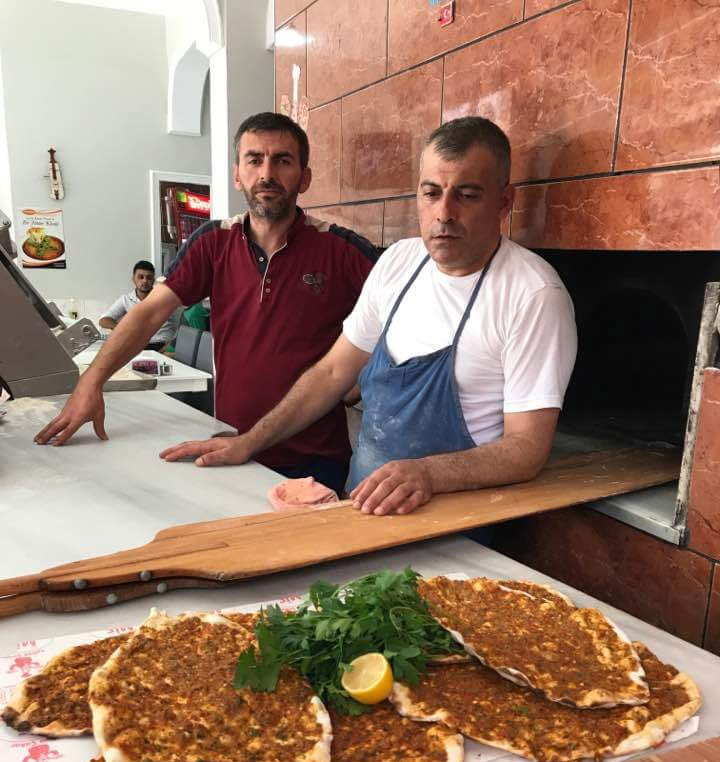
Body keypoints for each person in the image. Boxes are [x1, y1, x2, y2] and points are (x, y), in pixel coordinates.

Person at [160, 117, 577, 516]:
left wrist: (429, 473)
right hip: (360, 507)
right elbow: (332, 374)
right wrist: (250, 442)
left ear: (505, 201)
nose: (444, 214)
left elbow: (527, 448)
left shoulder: (533, 295)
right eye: (431, 193)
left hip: (455, 526)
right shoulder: (399, 262)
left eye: (467, 195)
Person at [35, 112, 379, 495]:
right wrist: (91, 382)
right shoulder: (214, 242)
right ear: (237, 174)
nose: (267, 173)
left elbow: (404, 313)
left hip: (315, 458)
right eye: (254, 159)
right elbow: (150, 312)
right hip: (233, 445)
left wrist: (360, 380)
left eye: (283, 160)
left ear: (305, 176)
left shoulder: (341, 249)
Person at [98, 261, 181, 350]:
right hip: (136, 346)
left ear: (153, 280)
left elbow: (181, 322)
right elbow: (103, 320)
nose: (144, 281)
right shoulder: (126, 300)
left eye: (149, 278)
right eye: (140, 277)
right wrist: (123, 330)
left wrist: (171, 346)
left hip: (163, 345)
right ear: (133, 279)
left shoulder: (164, 298)